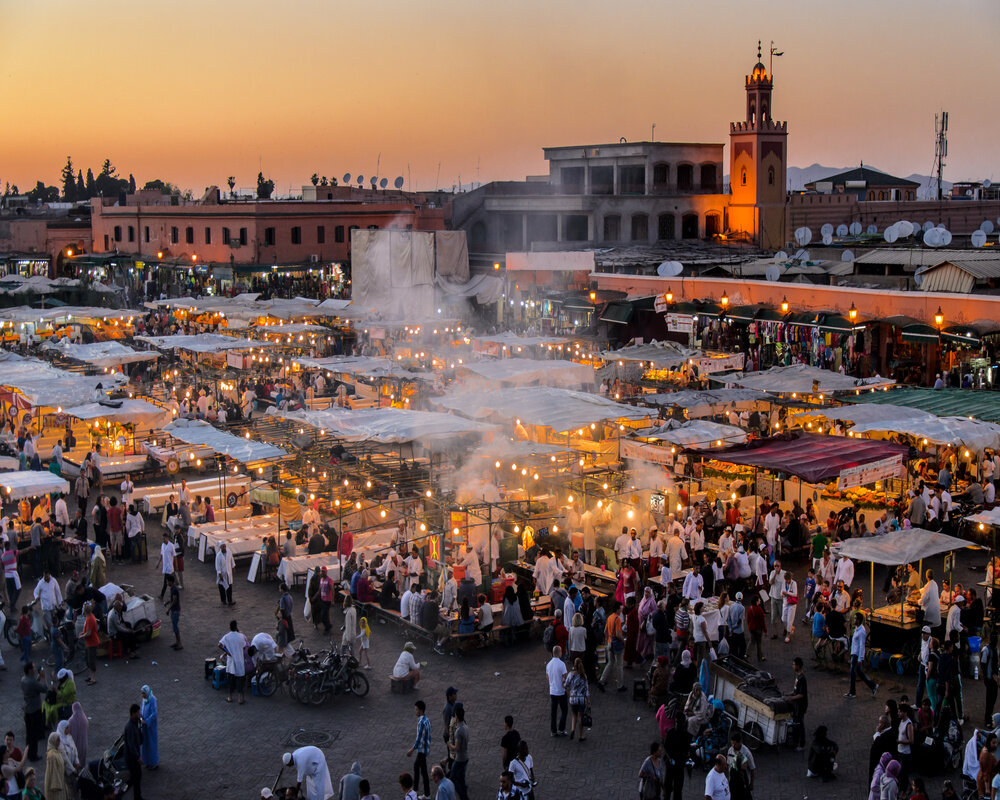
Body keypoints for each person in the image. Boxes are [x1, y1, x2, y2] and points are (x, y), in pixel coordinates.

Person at [846, 612, 878, 698]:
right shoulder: (857, 628)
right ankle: (873, 686)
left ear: (859, 620)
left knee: (853, 673)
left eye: (855, 618)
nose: (854, 620)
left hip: (856, 655)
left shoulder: (862, 632)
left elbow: (861, 646)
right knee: (859, 672)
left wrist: (860, 658)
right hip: (854, 653)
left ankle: (852, 692)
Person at [20, 662, 47, 761]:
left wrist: (38, 678)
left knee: (29, 733)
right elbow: (44, 688)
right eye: (34, 667)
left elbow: (34, 685)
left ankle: (28, 752)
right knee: (34, 735)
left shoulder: (24, 679)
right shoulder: (32, 682)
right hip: (34, 710)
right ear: (30, 670)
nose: (35, 669)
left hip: (28, 709)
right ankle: (33, 755)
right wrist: (43, 678)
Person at [218, 619, 249, 704]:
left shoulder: (227, 637)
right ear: (236, 626)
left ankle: (230, 697)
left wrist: (228, 652)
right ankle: (240, 698)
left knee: (231, 679)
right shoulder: (241, 636)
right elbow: (244, 646)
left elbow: (220, 645)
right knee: (240, 679)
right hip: (239, 660)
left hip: (231, 661)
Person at [598, 600, 625, 692]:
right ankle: (620, 685)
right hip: (617, 644)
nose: (621, 610)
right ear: (617, 609)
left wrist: (607, 640)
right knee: (619, 665)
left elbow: (605, 630)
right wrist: (623, 640)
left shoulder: (609, 617)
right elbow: (618, 634)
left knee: (610, 663)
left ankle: (602, 680)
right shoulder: (617, 619)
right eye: (620, 608)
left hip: (610, 643)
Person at [406, 701, 431, 800]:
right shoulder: (427, 720)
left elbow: (419, 739)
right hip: (425, 749)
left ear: (420, 710)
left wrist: (411, 750)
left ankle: (416, 791)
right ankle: (425, 793)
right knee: (421, 770)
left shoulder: (421, 722)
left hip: (421, 750)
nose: (415, 711)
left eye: (416, 709)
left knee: (419, 769)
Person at [785, 656, 808, 751]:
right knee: (796, 723)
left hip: (800, 706)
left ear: (798, 666)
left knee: (800, 724)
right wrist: (788, 694)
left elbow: (801, 694)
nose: (793, 666)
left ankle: (801, 744)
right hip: (796, 705)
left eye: (794, 664)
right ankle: (795, 740)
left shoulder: (802, 678)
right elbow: (796, 691)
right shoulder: (798, 677)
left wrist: (791, 698)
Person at [565, 658, 589, 742]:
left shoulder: (571, 674)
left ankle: (572, 729)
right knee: (580, 717)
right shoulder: (583, 676)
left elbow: (566, 685)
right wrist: (588, 700)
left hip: (573, 698)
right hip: (581, 699)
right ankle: (580, 736)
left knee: (574, 715)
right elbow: (586, 690)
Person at [546, 645, 568, 737]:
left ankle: (553, 730)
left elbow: (547, 677)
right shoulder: (561, 664)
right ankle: (561, 729)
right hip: (561, 691)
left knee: (553, 712)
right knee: (564, 710)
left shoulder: (549, 664)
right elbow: (565, 676)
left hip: (552, 691)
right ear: (559, 653)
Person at [448, 704, 469, 800]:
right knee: (461, 777)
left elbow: (456, 747)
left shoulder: (458, 731)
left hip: (459, 758)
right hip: (466, 755)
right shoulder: (466, 726)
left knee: (453, 777)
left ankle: (462, 796)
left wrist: (449, 745)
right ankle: (464, 794)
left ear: (456, 716)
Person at [726, 732, 755, 800]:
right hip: (733, 782)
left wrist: (752, 783)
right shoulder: (730, 750)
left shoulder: (747, 753)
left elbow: (752, 768)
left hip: (743, 783)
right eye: (732, 743)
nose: (733, 745)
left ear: (740, 742)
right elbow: (728, 765)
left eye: (735, 743)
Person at [124, 704, 144, 800]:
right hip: (132, 758)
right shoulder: (130, 727)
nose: (139, 714)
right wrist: (138, 757)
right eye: (138, 712)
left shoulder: (135, 723)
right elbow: (131, 745)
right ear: (133, 713)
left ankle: (138, 796)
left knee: (137, 777)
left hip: (134, 756)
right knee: (136, 777)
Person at [43, 732, 67, 800]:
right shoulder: (52, 755)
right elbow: (53, 771)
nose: (59, 742)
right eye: (58, 740)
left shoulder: (57, 751)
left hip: (60, 782)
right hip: (55, 788)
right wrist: (56, 785)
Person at [139, 685, 158, 769]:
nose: (142, 695)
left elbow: (154, 714)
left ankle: (154, 763)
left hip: (150, 727)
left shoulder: (152, 699)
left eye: (144, 693)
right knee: (145, 744)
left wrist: (146, 721)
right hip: (144, 726)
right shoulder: (144, 700)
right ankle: (147, 761)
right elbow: (141, 709)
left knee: (151, 744)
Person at [164, 573, 182, 650]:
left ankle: (179, 643)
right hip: (175, 610)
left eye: (167, 581)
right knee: (175, 627)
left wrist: (168, 609)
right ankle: (177, 642)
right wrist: (167, 602)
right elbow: (172, 599)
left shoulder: (174, 590)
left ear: (171, 581)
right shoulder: (173, 589)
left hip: (175, 611)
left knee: (175, 628)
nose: (167, 583)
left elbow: (174, 601)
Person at [67, 701, 87, 769]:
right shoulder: (84, 719)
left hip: (75, 746)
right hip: (84, 745)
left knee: (75, 763)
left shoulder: (71, 721)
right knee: (82, 763)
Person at [215, 541, 236, 606]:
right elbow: (217, 566)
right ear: (220, 548)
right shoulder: (218, 556)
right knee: (222, 587)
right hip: (222, 574)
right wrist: (219, 574)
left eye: (224, 546)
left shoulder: (229, 552)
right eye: (223, 547)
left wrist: (233, 567)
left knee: (229, 587)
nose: (224, 548)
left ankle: (230, 600)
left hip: (228, 572)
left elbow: (232, 560)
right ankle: (223, 600)